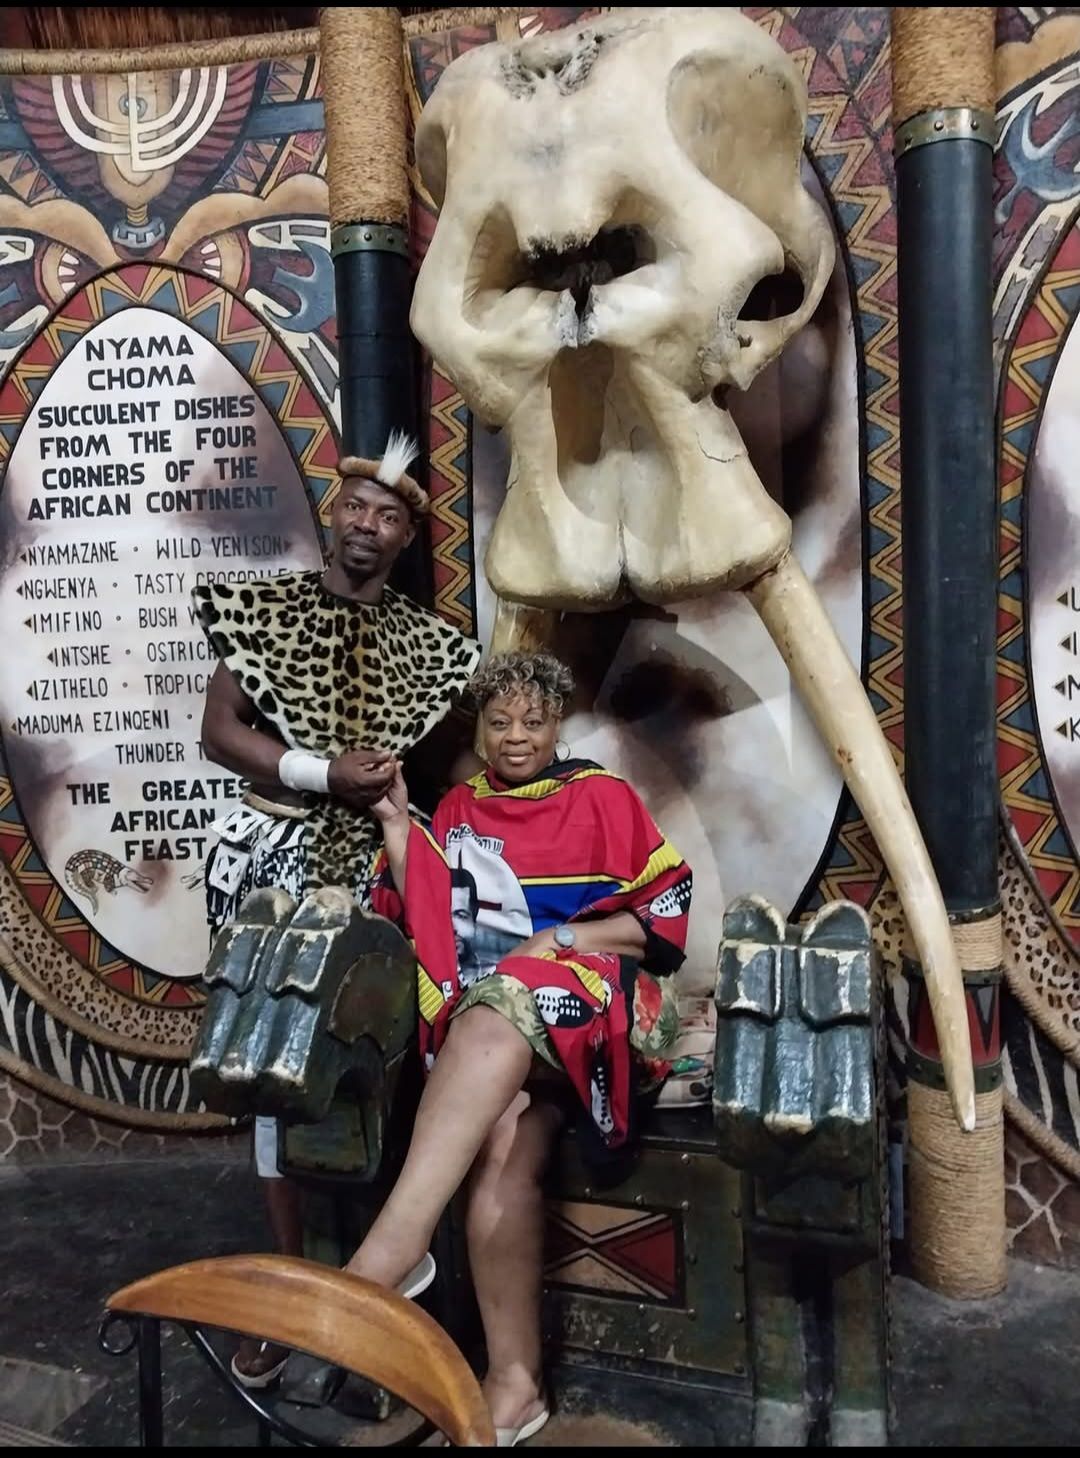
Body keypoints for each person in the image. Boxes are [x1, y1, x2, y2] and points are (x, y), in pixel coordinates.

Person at [191, 432, 481, 1387]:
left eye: (389, 516)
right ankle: (289, 1289)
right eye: (357, 506)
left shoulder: (424, 645)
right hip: (269, 862)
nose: (369, 524)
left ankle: (377, 1273)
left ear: (405, 538)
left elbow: (447, 764)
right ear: (334, 513)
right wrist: (320, 772)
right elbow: (219, 731)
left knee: (375, 1063)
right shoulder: (261, 610)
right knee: (271, 1072)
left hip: (375, 866)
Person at [349, 650, 691, 1444]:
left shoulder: (601, 797)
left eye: (533, 723)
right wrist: (401, 824)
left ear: (557, 724)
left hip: (606, 1001)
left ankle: (390, 1257)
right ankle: (514, 1385)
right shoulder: (463, 808)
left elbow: (666, 913)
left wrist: (560, 937)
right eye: (499, 722)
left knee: (501, 1001)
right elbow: (432, 903)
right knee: (505, 1132)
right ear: (481, 727)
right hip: (506, 1036)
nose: (515, 737)